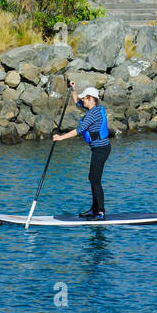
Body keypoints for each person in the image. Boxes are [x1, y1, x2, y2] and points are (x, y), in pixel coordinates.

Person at [53, 82, 110, 220]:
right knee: (92, 178)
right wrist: (74, 89)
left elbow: (78, 131)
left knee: (95, 180)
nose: (82, 99)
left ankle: (100, 213)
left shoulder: (93, 114)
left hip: (101, 149)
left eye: (85, 98)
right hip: (98, 149)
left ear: (91, 99)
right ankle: (94, 209)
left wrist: (60, 138)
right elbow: (77, 101)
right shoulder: (93, 108)